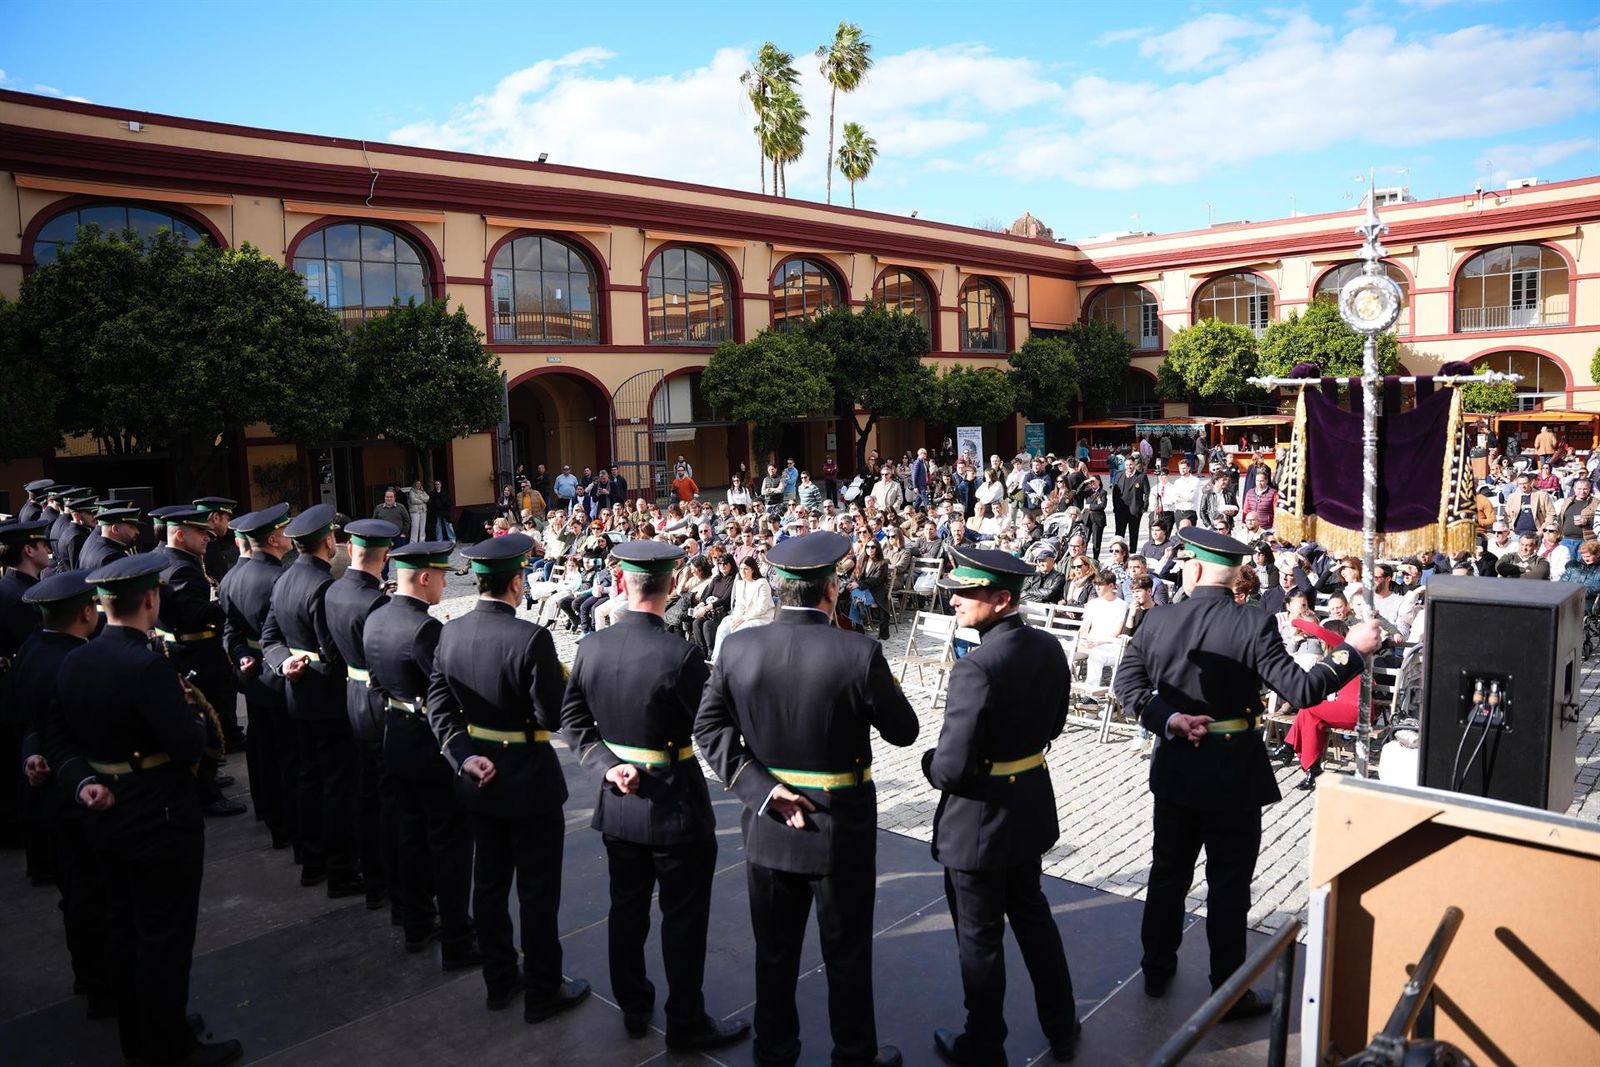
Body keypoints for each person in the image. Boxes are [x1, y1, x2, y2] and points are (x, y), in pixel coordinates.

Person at [1113, 528, 1382, 1017]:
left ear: (1192, 569)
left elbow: (1126, 682)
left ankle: (1156, 969)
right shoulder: (1252, 623)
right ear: (1234, 575)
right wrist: (1352, 652)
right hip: (1232, 773)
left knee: (1167, 874)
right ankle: (1228, 990)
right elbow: (1302, 691)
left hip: (1176, 765)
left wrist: (1167, 719)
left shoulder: (1157, 620)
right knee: (1229, 885)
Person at [695, 530, 919, 1067]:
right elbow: (904, 730)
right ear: (833, 588)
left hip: (768, 821)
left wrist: (761, 789)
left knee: (774, 950)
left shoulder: (738, 646)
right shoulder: (858, 651)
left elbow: (708, 727)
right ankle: (854, 1053)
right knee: (846, 949)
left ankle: (774, 1051)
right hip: (838, 826)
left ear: (778, 589)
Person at [43, 553, 244, 1067]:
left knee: (124, 931)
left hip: (103, 815)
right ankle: (170, 1046)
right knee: (164, 940)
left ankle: (144, 1036)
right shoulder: (147, 665)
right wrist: (194, 717)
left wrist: (84, 781)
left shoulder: (74, 659)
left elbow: (57, 741)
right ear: (151, 599)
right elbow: (187, 744)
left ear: (100, 606)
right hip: (160, 816)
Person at [557, 540, 751, 1049]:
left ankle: (633, 1007)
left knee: (626, 910)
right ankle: (685, 1020)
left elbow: (573, 720)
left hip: (618, 804)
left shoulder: (590, 647)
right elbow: (710, 724)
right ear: (669, 586)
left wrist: (606, 767)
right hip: (675, 805)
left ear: (622, 582)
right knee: (683, 919)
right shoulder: (681, 654)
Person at [923, 548, 1081, 1065]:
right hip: (1027, 804)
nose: (956, 601)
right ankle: (1062, 1026)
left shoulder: (977, 668)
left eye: (967, 593)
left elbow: (949, 768)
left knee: (980, 939)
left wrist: (929, 761)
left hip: (979, 823)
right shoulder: (1048, 647)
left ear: (1002, 599)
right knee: (1034, 919)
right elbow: (1055, 724)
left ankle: (984, 1045)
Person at [427, 534, 590, 1021]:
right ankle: (543, 988)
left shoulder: (448, 633)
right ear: (518, 582)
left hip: (479, 775)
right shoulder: (531, 639)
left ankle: (499, 980)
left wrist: (460, 756)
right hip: (530, 782)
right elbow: (551, 716)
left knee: (490, 884)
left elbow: (440, 705)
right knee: (538, 893)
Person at [364, 539, 483, 971]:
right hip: (430, 743)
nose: (444, 585)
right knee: (449, 843)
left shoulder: (377, 616)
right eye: (443, 576)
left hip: (395, 733)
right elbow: (445, 690)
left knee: (409, 834)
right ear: (426, 577)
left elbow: (377, 681)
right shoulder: (425, 629)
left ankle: (415, 921)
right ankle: (457, 936)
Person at [16, 569, 112, 1017]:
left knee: (75, 893)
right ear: (86, 612)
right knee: (101, 896)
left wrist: (32, 753)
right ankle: (106, 988)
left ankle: (89, 977)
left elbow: (33, 721)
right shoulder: (78, 663)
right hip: (84, 790)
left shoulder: (31, 650)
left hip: (51, 792)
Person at [261, 504, 364, 897]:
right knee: (338, 785)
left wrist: (283, 662)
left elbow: (270, 637)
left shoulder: (285, 579)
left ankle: (311, 859)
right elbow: (335, 650)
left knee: (308, 778)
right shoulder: (325, 586)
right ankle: (341, 870)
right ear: (327, 542)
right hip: (329, 697)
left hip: (297, 693)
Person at [322, 518, 400, 918]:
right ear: (385, 556)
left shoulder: (334, 590)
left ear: (350, 551)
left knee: (365, 795)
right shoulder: (377, 601)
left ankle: (372, 878)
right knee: (388, 801)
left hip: (351, 697)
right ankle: (386, 877)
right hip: (378, 704)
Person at [153, 508, 246, 816]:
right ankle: (207, 792)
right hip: (195, 655)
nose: (207, 537)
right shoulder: (180, 568)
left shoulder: (178, 561)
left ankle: (209, 778)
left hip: (191, 652)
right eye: (199, 533)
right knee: (206, 720)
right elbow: (192, 616)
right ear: (180, 535)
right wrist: (225, 602)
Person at [219, 505, 296, 852]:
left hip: (252, 670)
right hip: (279, 671)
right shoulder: (280, 579)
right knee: (286, 753)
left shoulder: (232, 576)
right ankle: (285, 822)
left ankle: (266, 810)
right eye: (285, 530)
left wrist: (240, 656)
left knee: (260, 744)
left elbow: (230, 630)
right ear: (273, 538)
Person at [77, 506, 142, 574]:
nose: (137, 532)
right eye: (132, 527)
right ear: (115, 529)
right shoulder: (112, 557)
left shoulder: (93, 545)